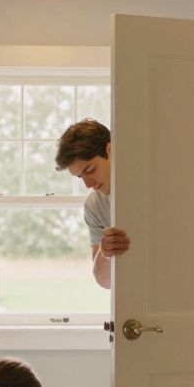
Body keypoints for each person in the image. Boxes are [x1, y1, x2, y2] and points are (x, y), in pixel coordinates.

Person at [55, 119, 130, 289]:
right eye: (80, 177)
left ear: (110, 151)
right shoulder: (94, 205)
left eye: (90, 170)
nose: (88, 184)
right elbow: (104, 281)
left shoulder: (149, 187)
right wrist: (106, 252)